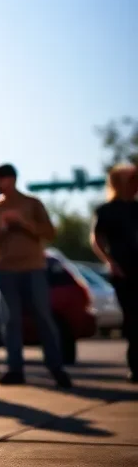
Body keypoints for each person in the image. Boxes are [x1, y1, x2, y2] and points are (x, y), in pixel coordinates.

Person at [0, 163, 70, 388]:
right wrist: (2, 228)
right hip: (5, 269)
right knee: (10, 320)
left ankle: (56, 367)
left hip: (33, 268)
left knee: (43, 315)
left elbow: (50, 233)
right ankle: (15, 369)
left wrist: (24, 223)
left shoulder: (32, 204)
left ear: (11, 179)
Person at [92, 162, 138, 383]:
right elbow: (97, 240)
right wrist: (111, 262)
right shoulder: (107, 210)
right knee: (132, 317)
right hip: (123, 270)